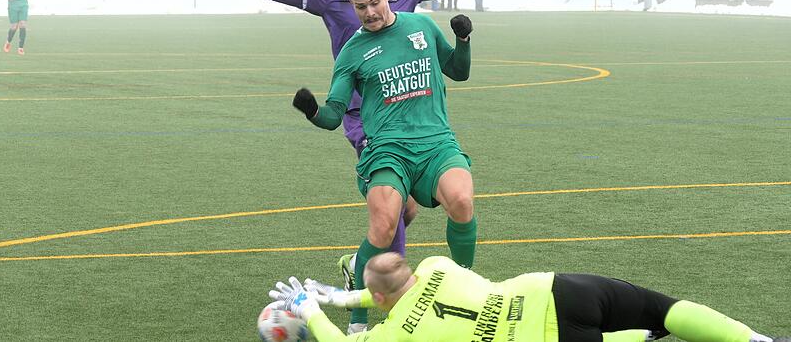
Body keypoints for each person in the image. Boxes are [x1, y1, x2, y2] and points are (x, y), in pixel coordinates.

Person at [255, 0, 471, 304]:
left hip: (413, 113)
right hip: (362, 116)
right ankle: (392, 298)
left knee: (405, 211)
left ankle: (359, 265)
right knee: (390, 211)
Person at [291, 0, 477, 334]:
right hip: (388, 151)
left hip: (435, 141)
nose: (370, 12)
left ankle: (466, 287)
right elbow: (333, 115)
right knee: (383, 226)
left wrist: (464, 40)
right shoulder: (353, 52)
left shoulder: (420, 27)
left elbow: (458, 71)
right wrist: (312, 110)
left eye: (374, 2)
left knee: (462, 200)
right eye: (361, 7)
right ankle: (358, 321)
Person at [269, 252, 790, 342]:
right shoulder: (436, 266)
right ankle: (754, 338)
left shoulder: (396, 334)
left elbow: (340, 338)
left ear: (377, 301)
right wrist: (343, 296)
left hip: (550, 338)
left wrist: (316, 310)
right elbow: (391, 285)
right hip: (560, 290)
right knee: (666, 309)